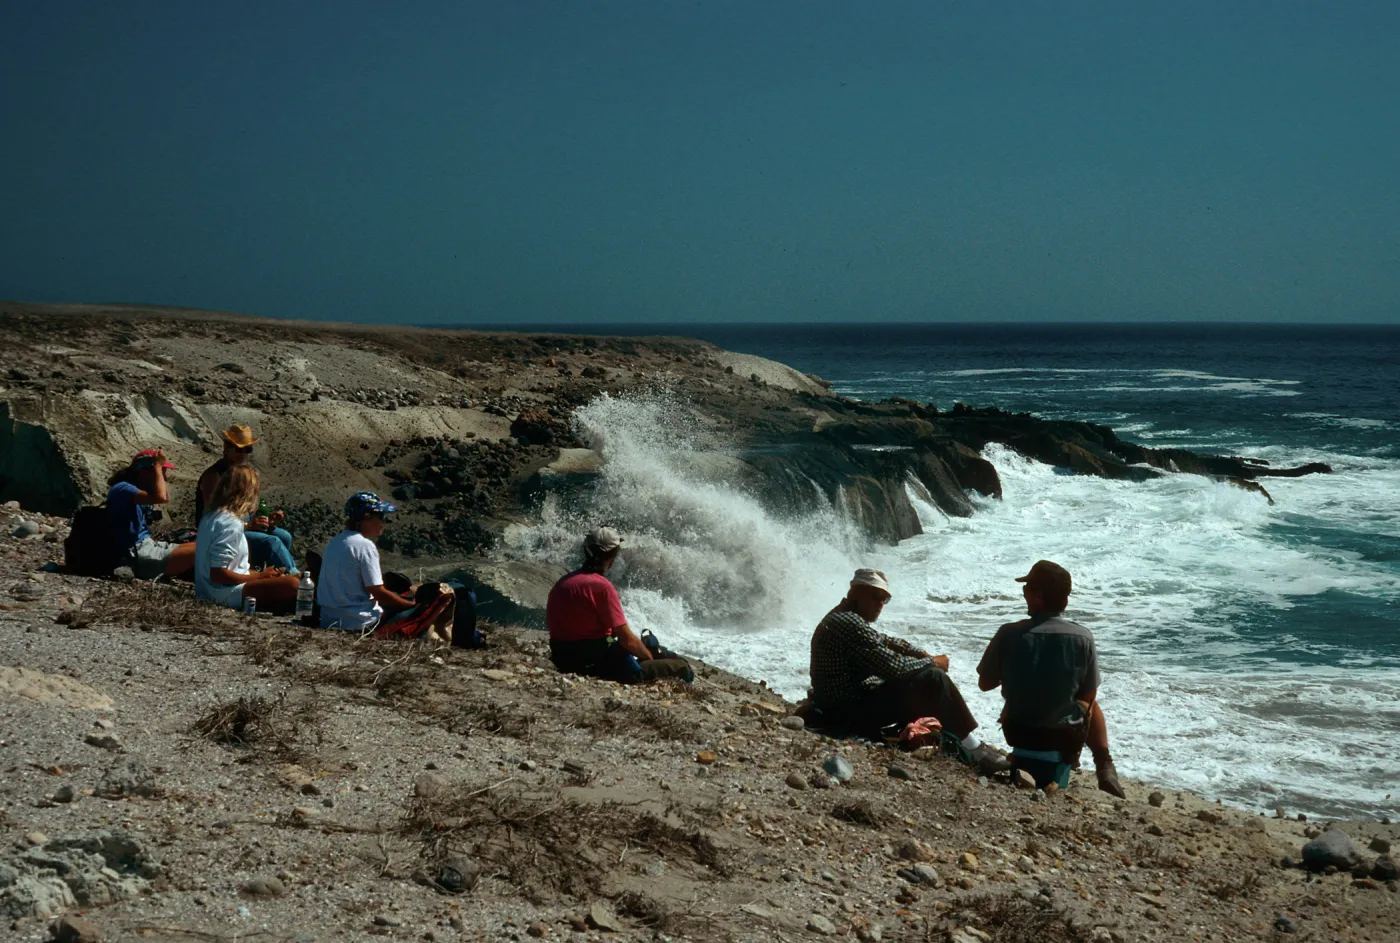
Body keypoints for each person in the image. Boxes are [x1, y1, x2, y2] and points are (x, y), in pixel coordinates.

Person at [809, 568, 1010, 775]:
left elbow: (886, 641)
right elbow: (894, 668)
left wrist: (920, 653)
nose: (880, 604)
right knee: (932, 679)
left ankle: (957, 741)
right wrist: (932, 662)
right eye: (876, 597)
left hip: (841, 706)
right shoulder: (848, 623)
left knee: (920, 678)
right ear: (856, 593)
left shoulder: (843, 617)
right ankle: (974, 748)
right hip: (845, 712)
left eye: (885, 599)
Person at [976, 560, 1125, 797]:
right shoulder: (1083, 637)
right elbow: (1088, 697)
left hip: (1017, 731)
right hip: (1064, 739)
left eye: (1026, 589)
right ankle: (1105, 765)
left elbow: (984, 684)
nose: (1023, 594)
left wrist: (1020, 674)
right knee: (1092, 705)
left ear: (1037, 596)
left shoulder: (1009, 633)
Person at [546, 527, 693, 683]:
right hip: (598, 665)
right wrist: (649, 658)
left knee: (647, 643)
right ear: (612, 556)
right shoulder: (602, 587)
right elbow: (627, 640)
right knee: (684, 668)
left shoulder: (564, 582)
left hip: (564, 659)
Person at [317, 492, 455, 641]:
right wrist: (411, 605)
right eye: (381, 516)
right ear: (367, 517)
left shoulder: (335, 542)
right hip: (359, 622)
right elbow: (377, 592)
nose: (384, 521)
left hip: (329, 620)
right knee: (436, 600)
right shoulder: (365, 546)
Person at [194, 464, 301, 610]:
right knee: (294, 585)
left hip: (208, 591)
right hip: (222, 594)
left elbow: (235, 569)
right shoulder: (230, 524)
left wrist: (265, 576)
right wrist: (259, 577)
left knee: (292, 581)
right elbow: (218, 574)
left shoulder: (212, 517)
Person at [195, 424, 298, 574]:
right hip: (224, 532)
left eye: (247, 449)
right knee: (272, 541)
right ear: (226, 448)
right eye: (238, 449)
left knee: (284, 536)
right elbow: (213, 519)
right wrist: (248, 525)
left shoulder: (244, 474)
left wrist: (265, 520)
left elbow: (246, 509)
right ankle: (292, 577)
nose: (243, 454)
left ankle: (279, 574)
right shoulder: (214, 476)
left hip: (243, 526)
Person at [105, 449, 197, 579]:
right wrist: (158, 467)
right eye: (161, 473)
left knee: (203, 545)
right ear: (144, 473)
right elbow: (162, 498)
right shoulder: (123, 488)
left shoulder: (136, 490)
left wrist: (158, 472)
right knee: (205, 551)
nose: (163, 478)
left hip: (146, 546)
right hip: (137, 554)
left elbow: (165, 496)